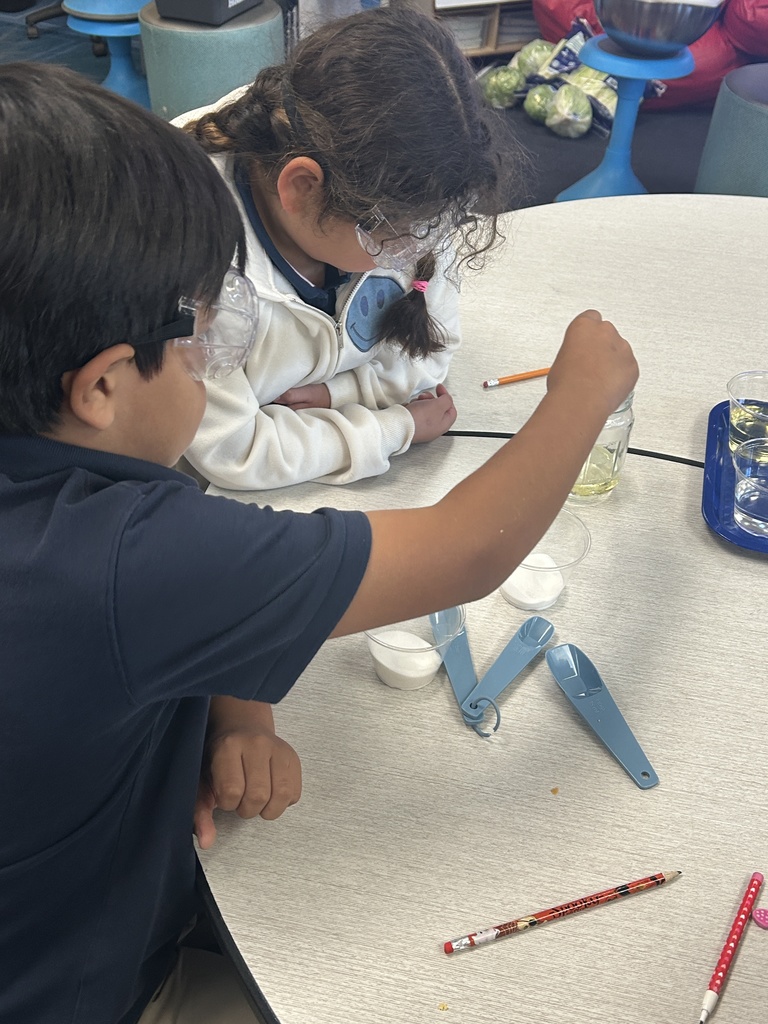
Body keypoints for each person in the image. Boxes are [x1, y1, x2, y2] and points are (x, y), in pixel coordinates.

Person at [0, 62, 637, 1024]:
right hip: (90, 985)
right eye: (198, 340)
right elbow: (467, 552)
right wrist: (581, 390)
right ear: (98, 387)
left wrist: (234, 711)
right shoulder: (125, 559)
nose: (218, 356)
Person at [174, 4, 525, 490]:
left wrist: (338, 392)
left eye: (432, 227)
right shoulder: (193, 264)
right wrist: (394, 426)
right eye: (386, 238)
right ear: (301, 188)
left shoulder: (410, 197)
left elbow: (431, 354)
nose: (411, 255)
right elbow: (235, 450)